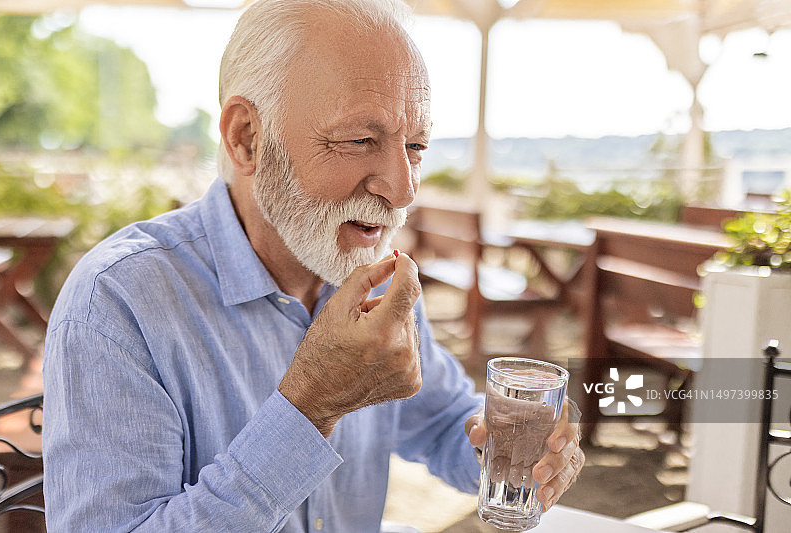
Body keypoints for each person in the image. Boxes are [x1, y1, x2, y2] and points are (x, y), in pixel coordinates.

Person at [42, 0, 584, 531]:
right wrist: (310, 407)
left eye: (415, 146)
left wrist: (516, 453)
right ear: (246, 138)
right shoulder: (116, 303)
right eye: (359, 140)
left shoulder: (375, 279)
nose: (402, 190)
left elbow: (444, 422)